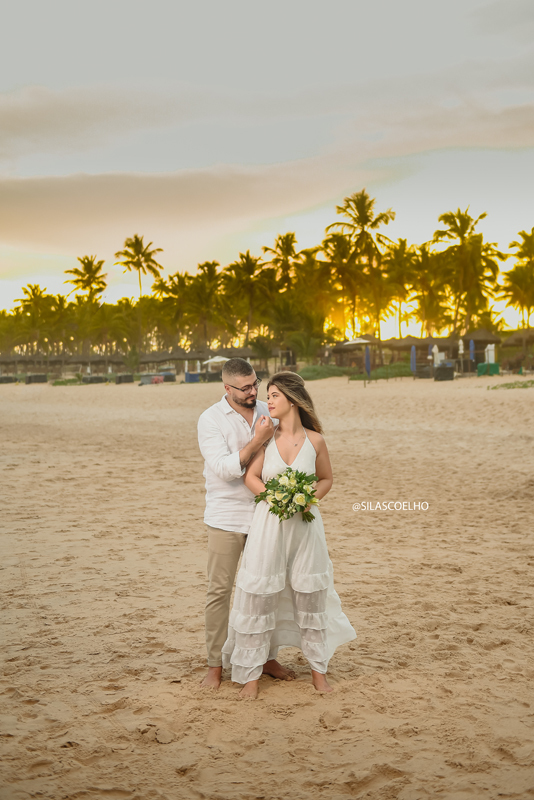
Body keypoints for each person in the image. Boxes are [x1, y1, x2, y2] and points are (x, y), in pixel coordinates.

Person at [222, 371, 356, 699]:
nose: (268, 401)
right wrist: (274, 496)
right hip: (269, 526)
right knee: (261, 594)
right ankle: (251, 677)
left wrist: (308, 499)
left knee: (309, 594)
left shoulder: (316, 441)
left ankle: (318, 674)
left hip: (306, 526)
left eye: (274, 396)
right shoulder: (265, 437)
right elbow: (250, 478)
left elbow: (325, 479)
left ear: (292, 400)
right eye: (267, 396)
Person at [197, 358, 295, 689]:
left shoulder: (271, 410)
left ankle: (267, 658)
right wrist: (257, 441)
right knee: (220, 590)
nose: (254, 391)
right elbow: (225, 469)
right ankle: (214, 665)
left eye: (256, 384)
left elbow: (291, 448)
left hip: (265, 514)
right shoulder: (210, 419)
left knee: (266, 590)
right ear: (227, 389)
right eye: (245, 387)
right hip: (225, 515)